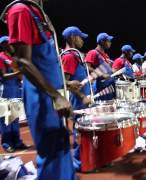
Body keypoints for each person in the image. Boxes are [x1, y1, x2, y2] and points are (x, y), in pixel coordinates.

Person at [2, 0, 77, 179]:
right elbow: (24, 62)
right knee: (52, 151)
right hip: (42, 95)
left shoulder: (34, 11)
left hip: (51, 93)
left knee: (62, 148)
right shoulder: (20, 10)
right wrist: (56, 96)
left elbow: (44, 60)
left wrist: (65, 85)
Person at [60, 26, 91, 171]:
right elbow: (65, 82)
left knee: (86, 130)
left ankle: (86, 158)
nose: (82, 41)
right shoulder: (68, 56)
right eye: (80, 37)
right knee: (80, 130)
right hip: (78, 101)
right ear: (73, 38)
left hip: (83, 100)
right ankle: (79, 162)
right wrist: (83, 96)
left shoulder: (75, 55)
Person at [0, 36, 29, 153]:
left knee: (15, 117)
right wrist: (19, 72)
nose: (12, 45)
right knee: (6, 118)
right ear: (4, 45)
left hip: (16, 88)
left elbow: (20, 76)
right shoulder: (1, 57)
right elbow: (3, 76)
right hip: (5, 89)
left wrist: (21, 74)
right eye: (9, 43)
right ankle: (7, 143)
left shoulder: (14, 58)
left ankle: (17, 141)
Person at [85, 32, 114, 100]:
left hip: (108, 87)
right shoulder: (93, 52)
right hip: (99, 87)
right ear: (102, 42)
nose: (110, 43)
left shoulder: (106, 56)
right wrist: (102, 75)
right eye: (108, 41)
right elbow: (86, 67)